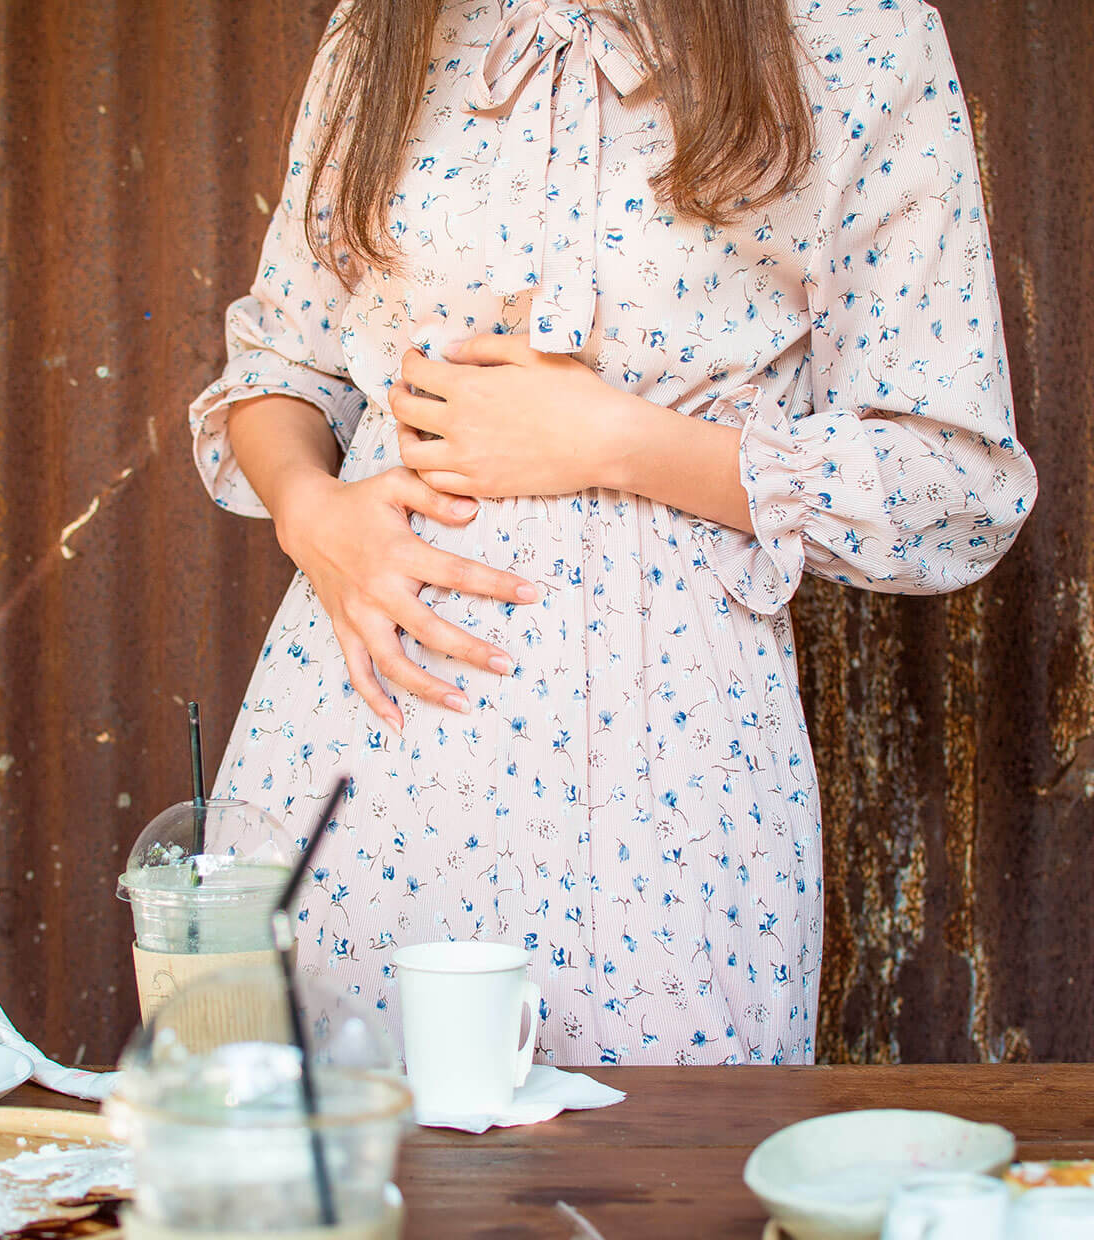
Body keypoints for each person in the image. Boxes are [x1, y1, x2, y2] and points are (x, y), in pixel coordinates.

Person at [188, 0, 1037, 1066]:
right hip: (356, 728)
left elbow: (950, 486)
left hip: (662, 779)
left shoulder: (853, 31)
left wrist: (615, 440)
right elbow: (279, 368)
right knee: (325, 1184)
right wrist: (315, 513)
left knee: (660, 1178)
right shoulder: (387, 26)